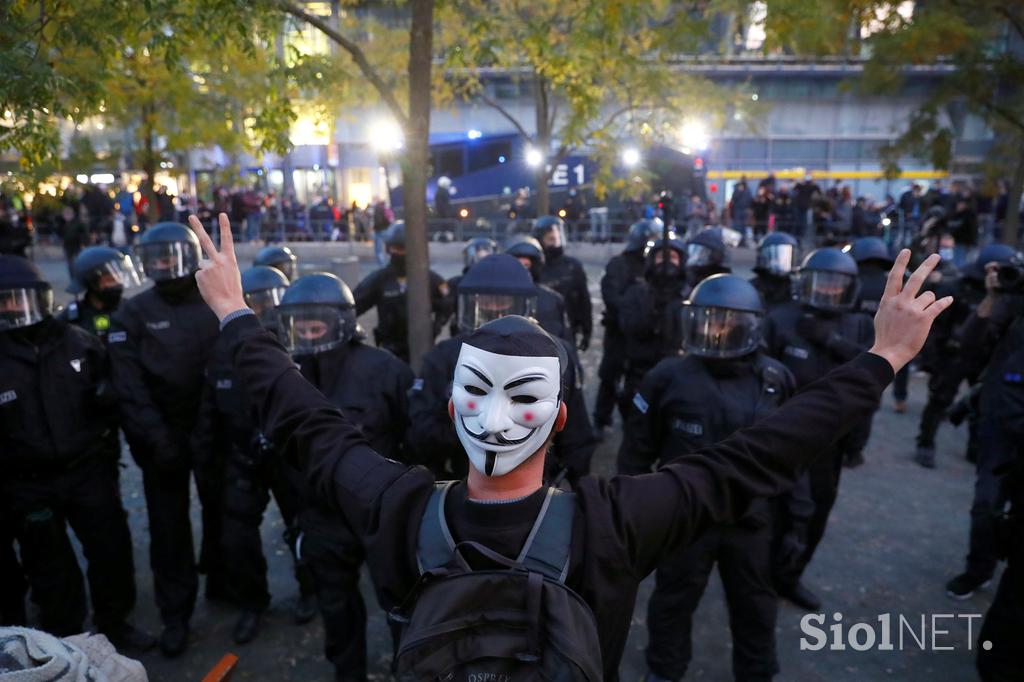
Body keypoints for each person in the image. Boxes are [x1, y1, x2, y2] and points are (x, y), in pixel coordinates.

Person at [186, 212, 950, 681]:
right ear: (563, 425)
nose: (495, 417)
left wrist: (235, 316)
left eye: (517, 397)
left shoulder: (394, 503)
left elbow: (306, 425)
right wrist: (880, 360)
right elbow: (757, 457)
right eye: (484, 395)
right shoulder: (615, 522)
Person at [620, 274, 795, 682]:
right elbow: (636, 450)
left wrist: (794, 523)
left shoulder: (775, 380)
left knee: (755, 604)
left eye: (727, 322)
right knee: (673, 601)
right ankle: (664, 669)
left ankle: (757, 672)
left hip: (750, 518)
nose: (715, 330)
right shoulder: (668, 376)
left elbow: (793, 458)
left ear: (751, 325)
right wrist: (632, 513)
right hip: (686, 518)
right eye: (707, 320)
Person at [0, 255, 153, 651]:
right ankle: (64, 642)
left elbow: (113, 400)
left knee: (111, 553)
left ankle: (114, 623)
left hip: (87, 470)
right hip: (28, 484)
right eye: (4, 301)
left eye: (21, 299)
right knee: (50, 569)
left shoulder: (79, 343)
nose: (14, 309)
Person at [278, 271, 414, 681]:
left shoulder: (385, 369)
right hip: (321, 514)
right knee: (335, 607)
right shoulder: (287, 373)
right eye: (298, 322)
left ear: (341, 320)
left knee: (400, 602)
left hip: (379, 511)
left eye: (315, 321)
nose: (306, 330)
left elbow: (414, 438)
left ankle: (410, 668)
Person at [107, 222, 224, 657]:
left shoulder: (213, 300)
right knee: (168, 530)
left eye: (170, 256)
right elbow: (128, 385)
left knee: (224, 511)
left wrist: (209, 430)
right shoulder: (131, 314)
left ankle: (225, 581)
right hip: (160, 439)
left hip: (211, 429)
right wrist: (158, 438)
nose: (163, 265)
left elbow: (227, 362)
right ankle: (176, 613)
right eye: (155, 258)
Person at [192, 265, 316, 645]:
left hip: (286, 453)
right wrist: (207, 461)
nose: (263, 312)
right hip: (243, 454)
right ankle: (252, 603)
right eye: (255, 303)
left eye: (270, 303)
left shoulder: (298, 345)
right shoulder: (222, 350)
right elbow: (210, 408)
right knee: (236, 536)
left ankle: (310, 590)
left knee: (304, 527)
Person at [408, 254, 595, 484]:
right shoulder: (446, 355)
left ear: (524, 305)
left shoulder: (553, 355)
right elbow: (420, 430)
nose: (495, 311)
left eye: (504, 302)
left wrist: (576, 490)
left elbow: (575, 430)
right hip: (463, 479)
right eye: (485, 302)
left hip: (536, 482)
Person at [761, 247, 874, 610]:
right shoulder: (780, 319)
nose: (826, 291)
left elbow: (870, 378)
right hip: (783, 437)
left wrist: (832, 341)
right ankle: (760, 576)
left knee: (816, 513)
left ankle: (789, 578)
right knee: (774, 511)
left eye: (835, 285)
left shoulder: (857, 325)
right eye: (819, 283)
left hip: (831, 442)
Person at [945, 253, 1024, 603]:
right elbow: (970, 341)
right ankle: (979, 569)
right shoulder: (1014, 303)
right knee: (986, 505)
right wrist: (994, 295)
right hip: (1001, 423)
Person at [914, 243, 1015, 468]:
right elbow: (935, 325)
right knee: (939, 400)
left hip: (984, 358)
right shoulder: (957, 288)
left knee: (980, 405)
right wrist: (931, 359)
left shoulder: (1009, 294)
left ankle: (974, 447)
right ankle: (926, 442)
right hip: (954, 355)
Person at [594, 218, 661, 432]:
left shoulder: (653, 266)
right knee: (610, 376)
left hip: (642, 334)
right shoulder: (619, 264)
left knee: (640, 378)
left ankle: (635, 418)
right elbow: (610, 294)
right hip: (618, 332)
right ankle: (601, 419)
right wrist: (630, 312)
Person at [354, 221, 451, 363]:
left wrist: (436, 326)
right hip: (390, 351)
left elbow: (448, 302)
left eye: (404, 249)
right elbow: (354, 304)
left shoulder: (429, 279)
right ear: (388, 249)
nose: (399, 253)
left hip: (422, 350)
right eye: (396, 248)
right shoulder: (380, 279)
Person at [619, 235, 689, 415]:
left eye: (672, 257)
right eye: (661, 257)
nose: (666, 263)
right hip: (641, 373)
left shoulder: (689, 296)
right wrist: (655, 310)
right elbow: (628, 327)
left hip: (679, 376)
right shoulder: (636, 293)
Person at [844, 237, 896, 466]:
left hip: (847, 352)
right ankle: (855, 451)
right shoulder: (892, 285)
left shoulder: (851, 283)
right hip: (881, 356)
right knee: (867, 404)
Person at [532, 215, 592, 351]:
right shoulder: (536, 267)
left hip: (568, 330)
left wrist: (586, 330)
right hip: (541, 331)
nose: (555, 243)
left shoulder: (572, 266)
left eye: (558, 238)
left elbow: (584, 300)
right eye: (551, 239)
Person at [59, 247, 142, 341]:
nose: (117, 284)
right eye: (110, 280)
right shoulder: (72, 319)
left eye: (119, 278)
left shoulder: (131, 311)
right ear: (91, 282)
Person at [503, 235, 572, 343]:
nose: (522, 270)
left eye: (526, 265)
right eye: (518, 264)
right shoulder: (498, 298)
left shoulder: (553, 299)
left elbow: (566, 343)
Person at [446, 237, 496, 337]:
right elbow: (446, 308)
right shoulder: (457, 282)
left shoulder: (500, 282)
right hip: (465, 331)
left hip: (492, 331)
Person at [749, 232, 798, 312]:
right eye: (776, 258)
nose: (780, 262)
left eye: (785, 257)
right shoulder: (752, 288)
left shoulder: (796, 288)